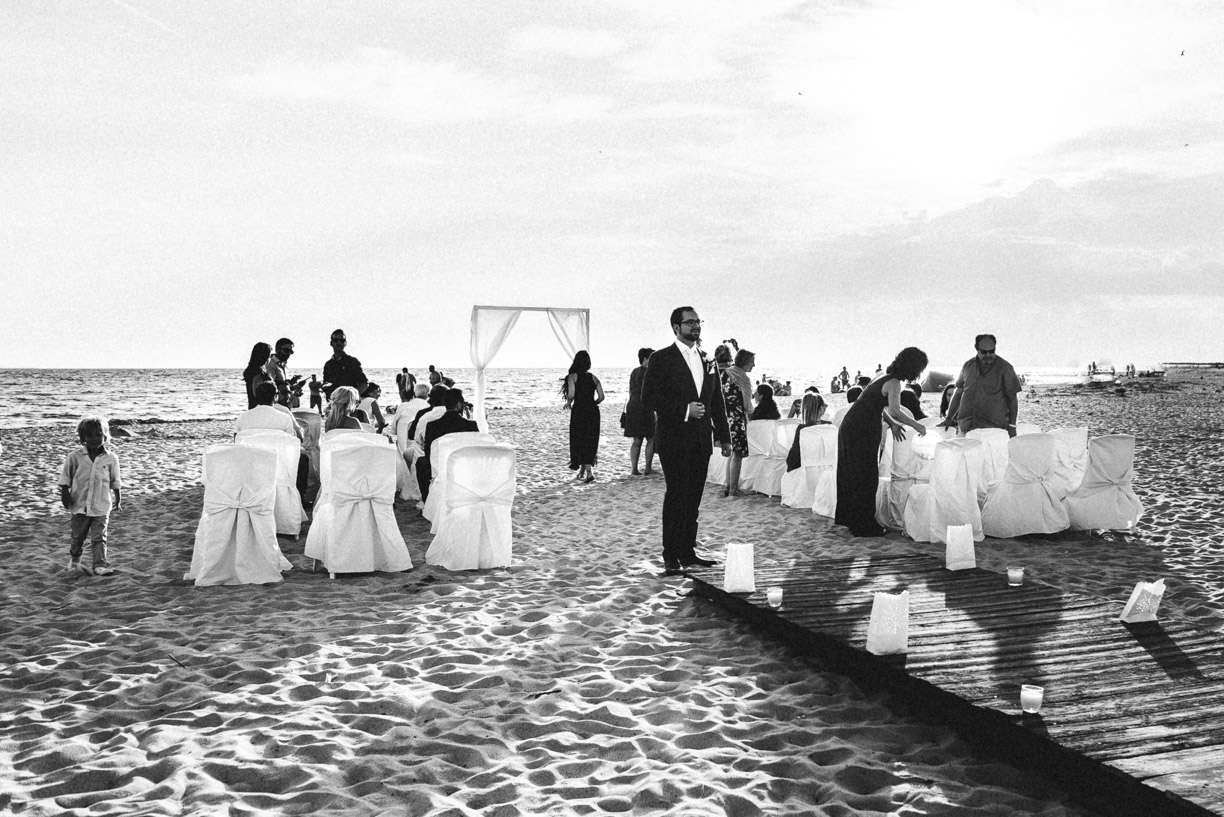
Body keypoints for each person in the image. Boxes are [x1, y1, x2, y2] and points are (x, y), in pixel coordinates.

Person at [642, 306, 732, 575]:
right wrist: (684, 410)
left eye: (698, 321)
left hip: (701, 439)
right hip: (673, 438)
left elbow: (717, 402)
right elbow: (649, 399)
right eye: (689, 322)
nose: (696, 326)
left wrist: (725, 437)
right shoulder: (661, 359)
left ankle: (688, 551)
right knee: (676, 495)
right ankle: (671, 555)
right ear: (676, 327)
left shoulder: (708, 360)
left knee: (693, 498)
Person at [835, 347, 929, 537]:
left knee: (853, 473)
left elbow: (876, 405)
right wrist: (916, 425)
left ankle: (852, 519)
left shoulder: (882, 376)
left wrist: (892, 424)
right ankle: (864, 525)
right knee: (866, 476)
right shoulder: (894, 382)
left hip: (852, 425)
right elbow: (895, 409)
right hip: (862, 429)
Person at [59, 415, 122, 576]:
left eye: (98, 434)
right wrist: (65, 493)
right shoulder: (74, 457)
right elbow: (66, 477)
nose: (94, 438)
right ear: (82, 437)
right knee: (78, 537)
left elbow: (115, 480)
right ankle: (75, 561)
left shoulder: (111, 458)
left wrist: (118, 499)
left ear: (105, 435)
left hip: (101, 504)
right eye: (90, 435)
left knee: (99, 537)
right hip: (79, 505)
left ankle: (99, 564)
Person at [942, 334, 1023, 437]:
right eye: (984, 352)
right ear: (976, 349)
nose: (988, 355)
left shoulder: (1006, 368)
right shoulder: (967, 366)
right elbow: (958, 393)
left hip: (994, 429)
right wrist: (949, 418)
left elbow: (1013, 399)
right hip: (966, 427)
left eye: (992, 351)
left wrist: (1012, 426)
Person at [420, 388, 481, 501]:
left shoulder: (432, 426)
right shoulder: (471, 425)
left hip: (441, 470)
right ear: (458, 405)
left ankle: (427, 501)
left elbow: (429, 453)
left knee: (421, 463)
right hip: (466, 469)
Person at [562, 350, 605, 483]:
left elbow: (571, 395)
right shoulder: (594, 378)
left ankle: (589, 473)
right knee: (590, 439)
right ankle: (582, 471)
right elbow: (602, 397)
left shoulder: (572, 377)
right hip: (592, 412)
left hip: (579, 411)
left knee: (579, 438)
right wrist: (592, 403)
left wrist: (569, 403)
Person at [720, 347, 755, 497]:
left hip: (724, 418)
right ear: (745, 362)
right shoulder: (742, 378)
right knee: (738, 454)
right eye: (752, 362)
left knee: (731, 453)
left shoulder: (725, 373)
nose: (754, 365)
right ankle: (733, 490)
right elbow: (748, 406)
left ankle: (728, 487)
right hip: (737, 419)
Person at [624, 347, 656, 476]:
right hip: (645, 406)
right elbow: (652, 393)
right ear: (645, 359)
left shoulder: (634, 372)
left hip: (633, 406)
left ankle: (634, 469)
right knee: (651, 438)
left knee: (637, 440)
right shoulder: (651, 373)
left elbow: (631, 391)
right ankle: (648, 468)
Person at [236, 382, 302, 438]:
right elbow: (291, 442)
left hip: (251, 453)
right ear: (275, 397)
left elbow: (236, 438)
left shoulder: (243, 416)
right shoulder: (285, 418)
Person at [786, 393, 828, 471]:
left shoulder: (802, 429)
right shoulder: (830, 427)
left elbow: (793, 459)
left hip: (807, 475)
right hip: (828, 474)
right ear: (822, 409)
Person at [322, 329, 368, 399]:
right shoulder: (328, 365)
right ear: (331, 343)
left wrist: (352, 398)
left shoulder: (352, 362)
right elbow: (326, 385)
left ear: (345, 343)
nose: (339, 342)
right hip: (333, 405)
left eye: (342, 340)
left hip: (349, 405)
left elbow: (364, 384)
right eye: (336, 340)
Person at [265, 337, 303, 408]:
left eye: (291, 352)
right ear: (277, 349)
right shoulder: (270, 363)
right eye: (286, 350)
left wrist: (294, 385)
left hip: (285, 403)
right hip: (276, 404)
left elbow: (284, 386)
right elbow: (270, 386)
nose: (289, 354)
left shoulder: (284, 365)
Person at [242, 342, 272, 409]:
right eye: (269, 356)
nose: (270, 358)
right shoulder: (257, 372)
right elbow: (257, 394)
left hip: (254, 406)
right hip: (259, 407)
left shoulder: (256, 370)